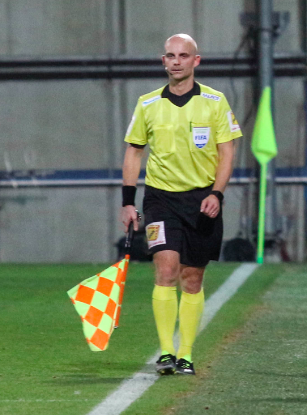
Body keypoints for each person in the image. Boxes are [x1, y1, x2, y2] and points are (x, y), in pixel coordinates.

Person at [121, 33, 242, 375]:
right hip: (160, 199)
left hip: (202, 200)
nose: (176, 61)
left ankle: (186, 353)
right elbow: (134, 151)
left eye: (183, 55)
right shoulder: (147, 104)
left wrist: (217, 194)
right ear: (164, 61)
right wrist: (128, 202)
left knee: (192, 278)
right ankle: (166, 352)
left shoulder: (215, 101)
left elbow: (227, 152)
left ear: (195, 60)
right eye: (170, 56)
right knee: (165, 271)